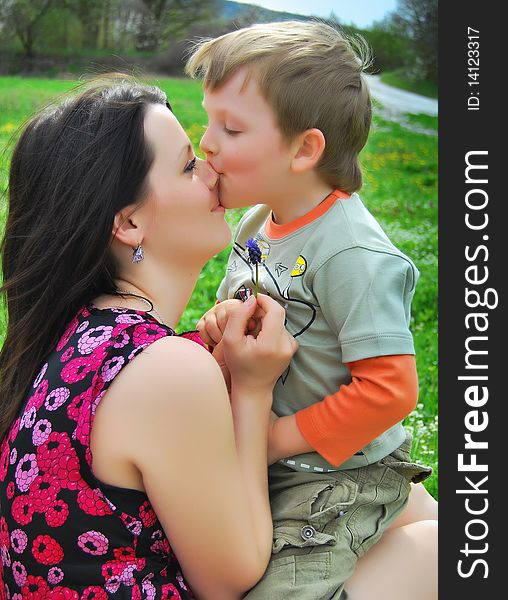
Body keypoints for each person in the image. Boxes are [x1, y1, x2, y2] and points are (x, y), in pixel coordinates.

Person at [0, 75, 298, 599]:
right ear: (129, 223)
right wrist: (253, 390)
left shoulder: (72, 332)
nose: (213, 170)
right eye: (188, 165)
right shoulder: (164, 369)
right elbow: (230, 579)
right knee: (432, 551)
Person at [187, 21, 438, 599]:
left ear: (305, 149)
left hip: (340, 475)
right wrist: (217, 326)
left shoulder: (353, 252)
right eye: (209, 120)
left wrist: (270, 440)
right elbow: (243, 311)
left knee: (281, 588)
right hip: (271, 456)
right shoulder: (258, 222)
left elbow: (390, 392)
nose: (207, 143)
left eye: (231, 127)